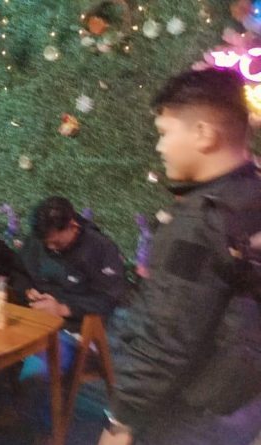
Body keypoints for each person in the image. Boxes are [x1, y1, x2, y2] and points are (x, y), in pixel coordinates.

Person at [98, 69, 261, 445]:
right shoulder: (250, 197)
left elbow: (166, 336)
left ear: (203, 134)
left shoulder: (199, 223)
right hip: (239, 405)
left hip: (184, 415)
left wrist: (120, 420)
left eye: (164, 132)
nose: (160, 146)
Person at [20, 196, 126, 331]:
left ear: (73, 226)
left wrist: (62, 309)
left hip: (77, 323)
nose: (51, 248)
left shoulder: (101, 248)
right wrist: (28, 289)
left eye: (56, 243)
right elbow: (20, 270)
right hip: (37, 314)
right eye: (46, 243)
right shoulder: (39, 239)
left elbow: (108, 299)